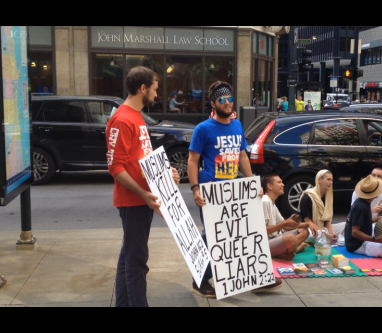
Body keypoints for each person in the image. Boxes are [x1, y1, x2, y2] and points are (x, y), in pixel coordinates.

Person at [188, 81, 281, 297]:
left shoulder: (237, 125)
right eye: (222, 99)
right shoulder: (203, 129)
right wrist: (195, 189)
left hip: (234, 190)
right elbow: (193, 161)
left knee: (243, 234)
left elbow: (241, 156)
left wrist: (252, 182)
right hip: (211, 190)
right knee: (214, 237)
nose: (228, 103)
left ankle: (254, 278)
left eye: (230, 99)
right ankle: (199, 279)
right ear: (213, 103)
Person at [106, 66, 180, 307]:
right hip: (134, 201)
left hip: (144, 199)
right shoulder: (121, 119)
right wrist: (144, 193)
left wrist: (164, 174)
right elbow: (116, 168)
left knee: (129, 257)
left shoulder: (136, 116)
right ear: (142, 88)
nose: (157, 95)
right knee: (137, 261)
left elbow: (141, 160)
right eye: (155, 90)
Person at [345, 175, 382, 257]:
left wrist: (376, 219)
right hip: (358, 245)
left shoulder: (363, 202)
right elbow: (355, 232)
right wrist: (376, 240)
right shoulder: (360, 206)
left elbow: (362, 221)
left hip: (363, 238)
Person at [261, 174, 311, 261]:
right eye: (279, 182)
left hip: (275, 238)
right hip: (264, 244)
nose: (283, 185)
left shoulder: (272, 202)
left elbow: (286, 226)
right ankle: (288, 252)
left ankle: (285, 252)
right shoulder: (265, 201)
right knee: (290, 238)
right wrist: (285, 224)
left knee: (304, 231)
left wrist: (308, 224)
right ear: (270, 186)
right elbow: (262, 230)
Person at [298, 170, 345, 245]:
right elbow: (308, 222)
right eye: (328, 179)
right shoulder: (307, 197)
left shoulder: (327, 197)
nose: (330, 183)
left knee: (345, 225)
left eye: (331, 180)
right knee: (316, 235)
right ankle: (329, 240)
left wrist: (331, 232)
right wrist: (326, 234)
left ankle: (330, 240)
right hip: (311, 229)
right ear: (319, 180)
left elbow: (327, 219)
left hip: (323, 228)